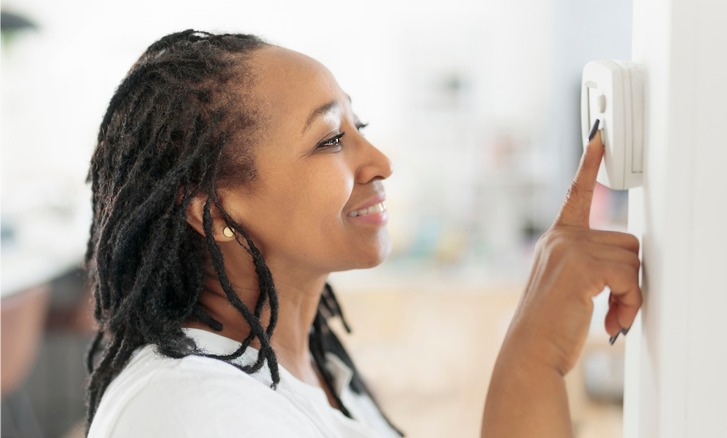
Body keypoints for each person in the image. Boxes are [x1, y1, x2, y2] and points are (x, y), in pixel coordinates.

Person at [84, 30, 641, 437]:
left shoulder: (313, 371)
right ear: (218, 209)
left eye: (361, 128)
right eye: (330, 139)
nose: (379, 161)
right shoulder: (190, 414)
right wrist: (533, 355)